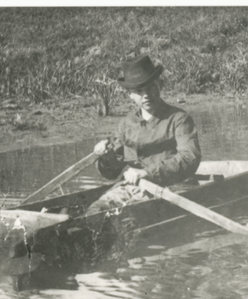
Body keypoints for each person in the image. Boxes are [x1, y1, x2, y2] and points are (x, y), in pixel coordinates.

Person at [86, 55, 201, 215]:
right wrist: (106, 156)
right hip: (135, 188)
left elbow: (190, 158)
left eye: (151, 87)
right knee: (96, 211)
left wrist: (147, 172)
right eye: (139, 91)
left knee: (128, 216)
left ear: (160, 85)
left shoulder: (179, 119)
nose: (146, 95)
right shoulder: (126, 125)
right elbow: (112, 173)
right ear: (130, 95)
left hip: (173, 188)